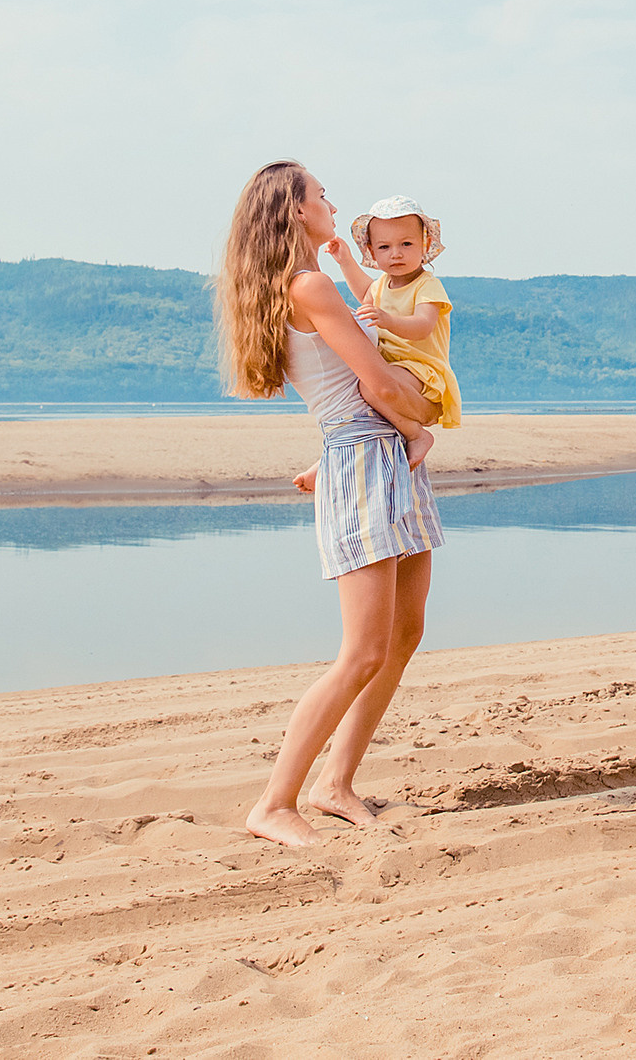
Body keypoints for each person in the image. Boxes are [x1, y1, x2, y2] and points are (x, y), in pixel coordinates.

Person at [218, 161, 443, 846]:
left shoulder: (311, 282)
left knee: (403, 634)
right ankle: (274, 802)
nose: (332, 205)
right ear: (295, 211)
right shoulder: (310, 286)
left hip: (380, 455)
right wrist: (424, 423)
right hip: (369, 457)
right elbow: (376, 383)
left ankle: (335, 783)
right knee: (363, 649)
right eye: (321, 195)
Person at [294, 195, 461, 491]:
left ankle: (417, 435)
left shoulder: (427, 285)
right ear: (371, 251)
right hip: (393, 367)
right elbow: (365, 294)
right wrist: (345, 261)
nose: (396, 254)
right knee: (365, 396)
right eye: (384, 247)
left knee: (370, 387)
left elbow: (423, 327)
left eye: (406, 244)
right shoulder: (382, 284)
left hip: (421, 369)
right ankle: (329, 458)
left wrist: (388, 320)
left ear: (425, 245)